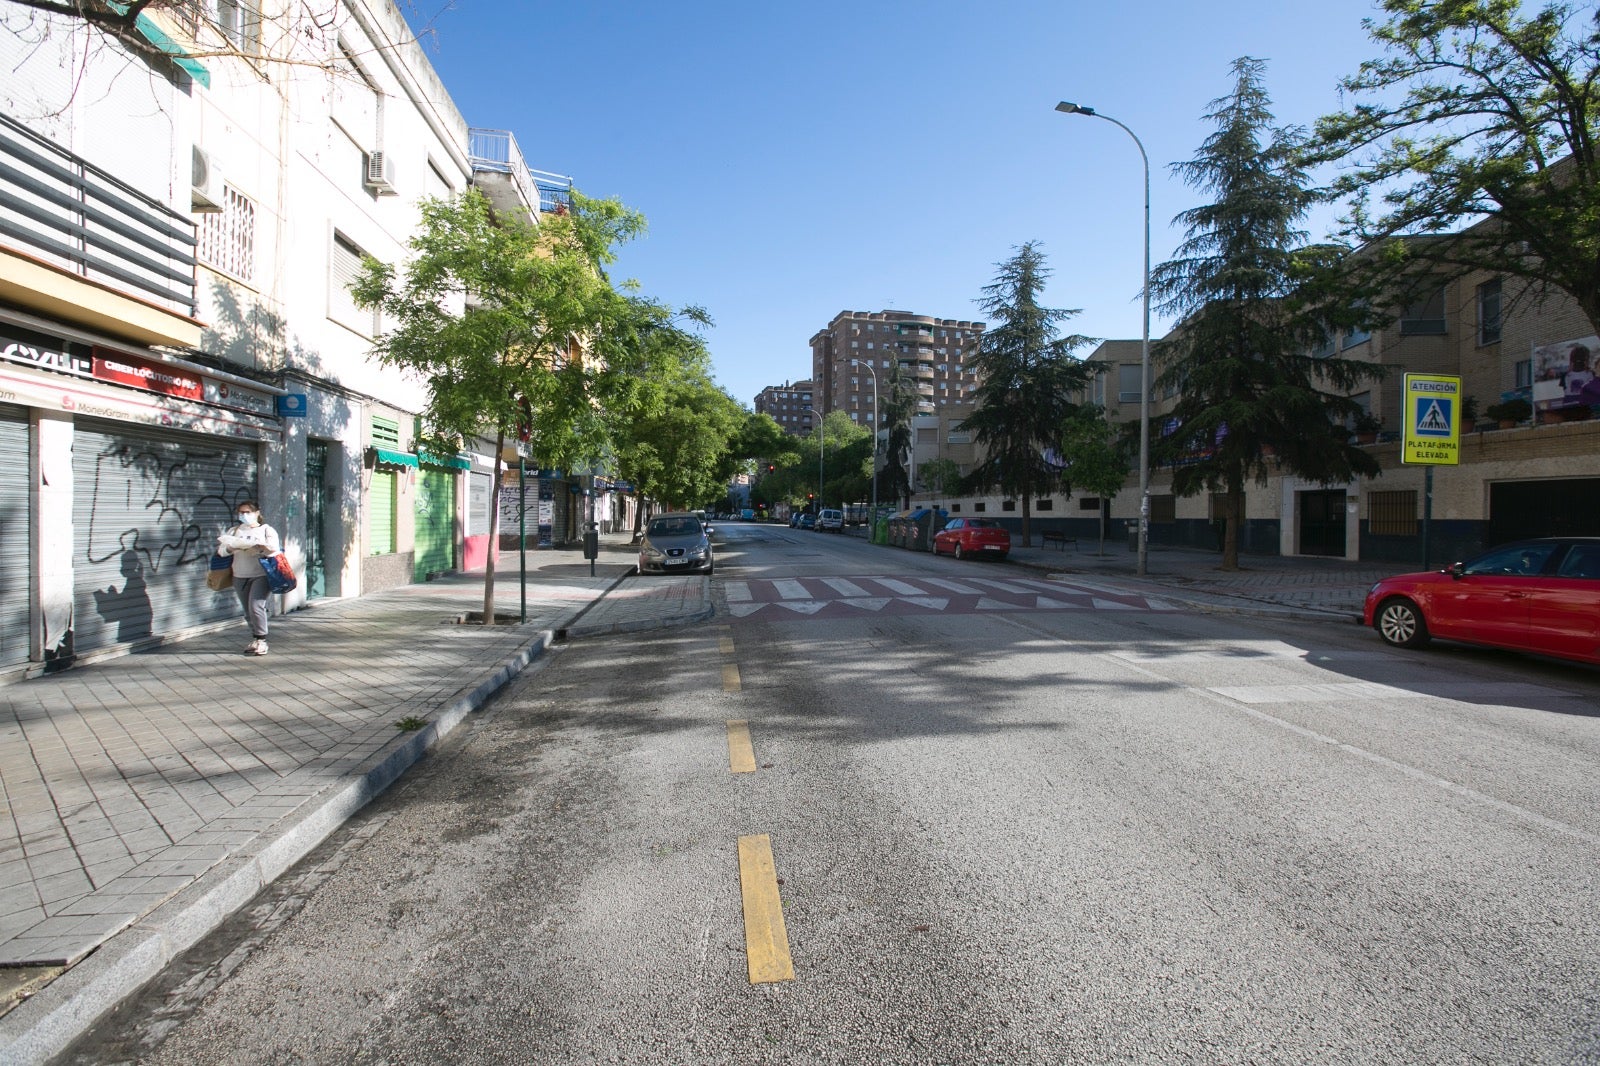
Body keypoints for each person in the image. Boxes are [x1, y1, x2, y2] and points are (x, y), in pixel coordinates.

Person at [217, 500, 280, 656]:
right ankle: (255, 638)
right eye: (241, 512)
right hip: (239, 575)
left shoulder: (266, 530)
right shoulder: (235, 530)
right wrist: (232, 547)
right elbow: (221, 551)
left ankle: (261, 640)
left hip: (260, 575)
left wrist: (259, 547)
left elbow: (274, 550)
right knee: (247, 611)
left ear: (257, 513)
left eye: (247, 512)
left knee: (256, 606)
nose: (244, 515)